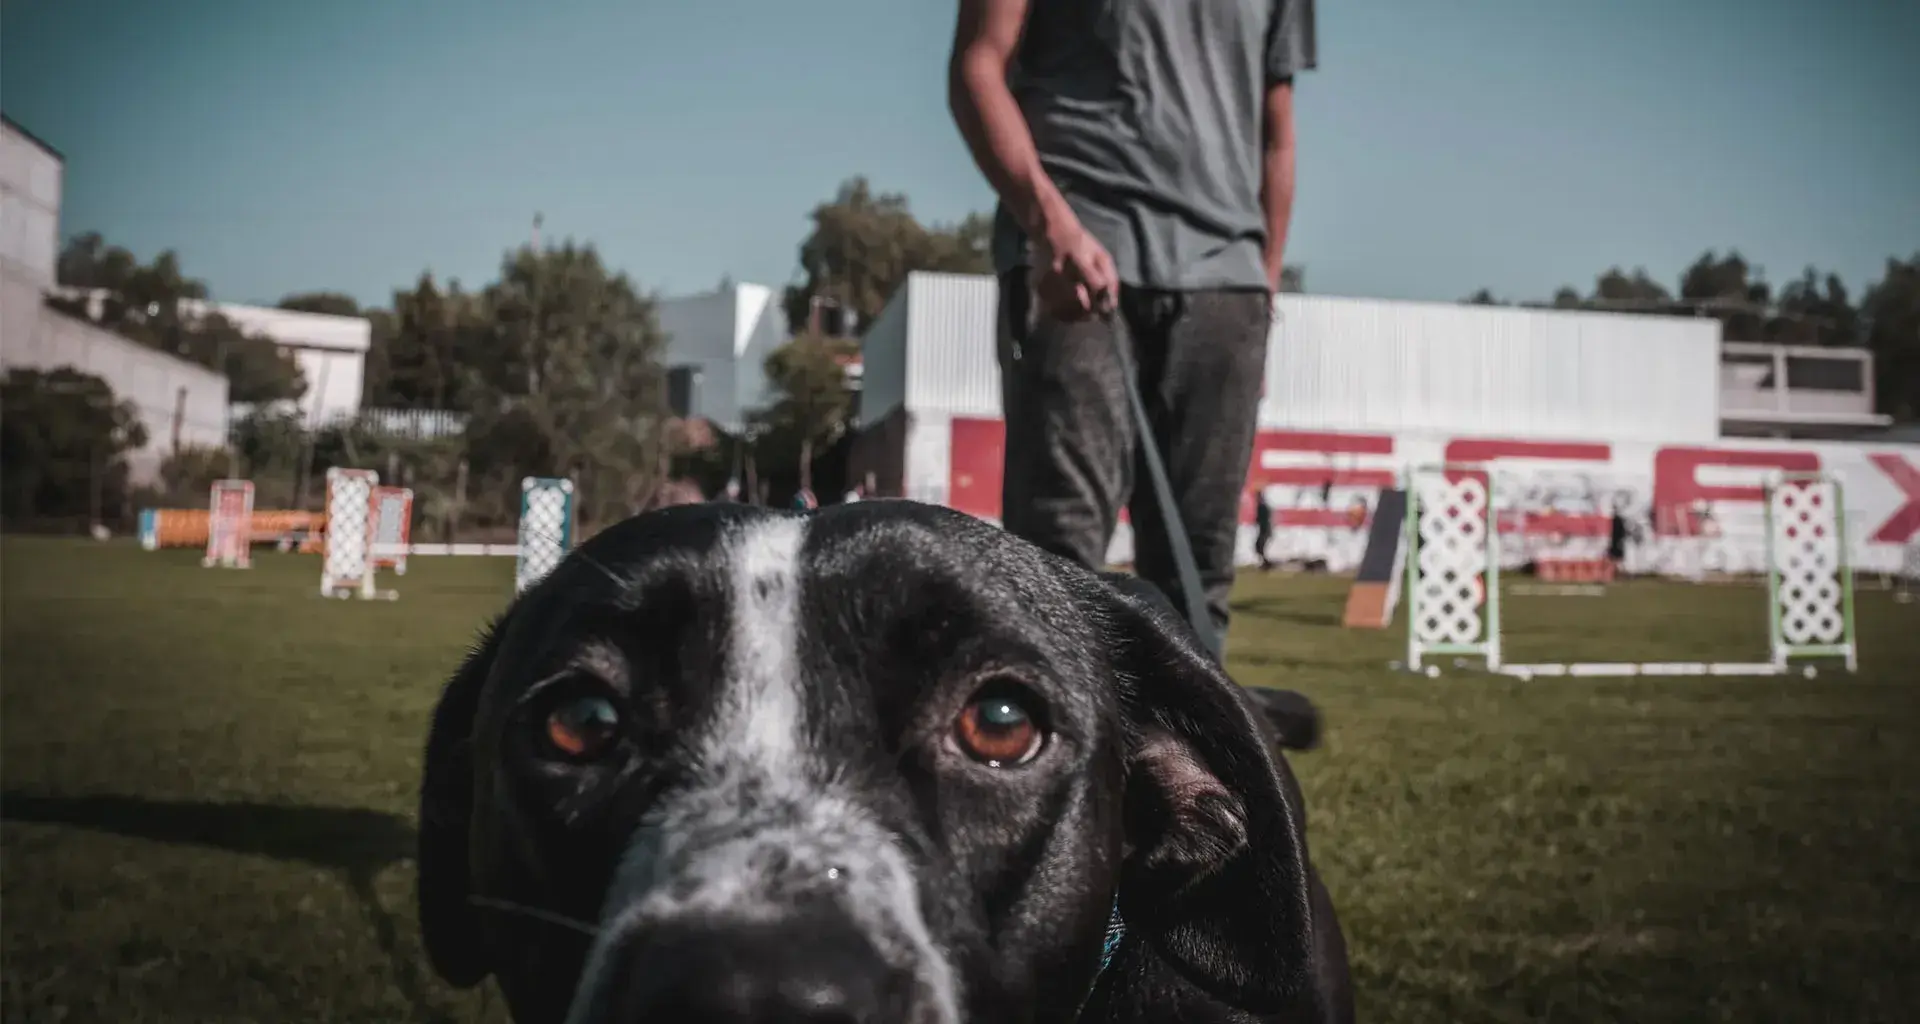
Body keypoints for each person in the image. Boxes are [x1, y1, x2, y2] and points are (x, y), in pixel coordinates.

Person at [948, 0, 1315, 648]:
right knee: (1056, 562)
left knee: (1198, 577)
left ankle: (1188, 721)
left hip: (1225, 282)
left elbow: (1276, 131)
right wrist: (1048, 223)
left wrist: (1262, 285)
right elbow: (977, 64)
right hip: (1076, 252)